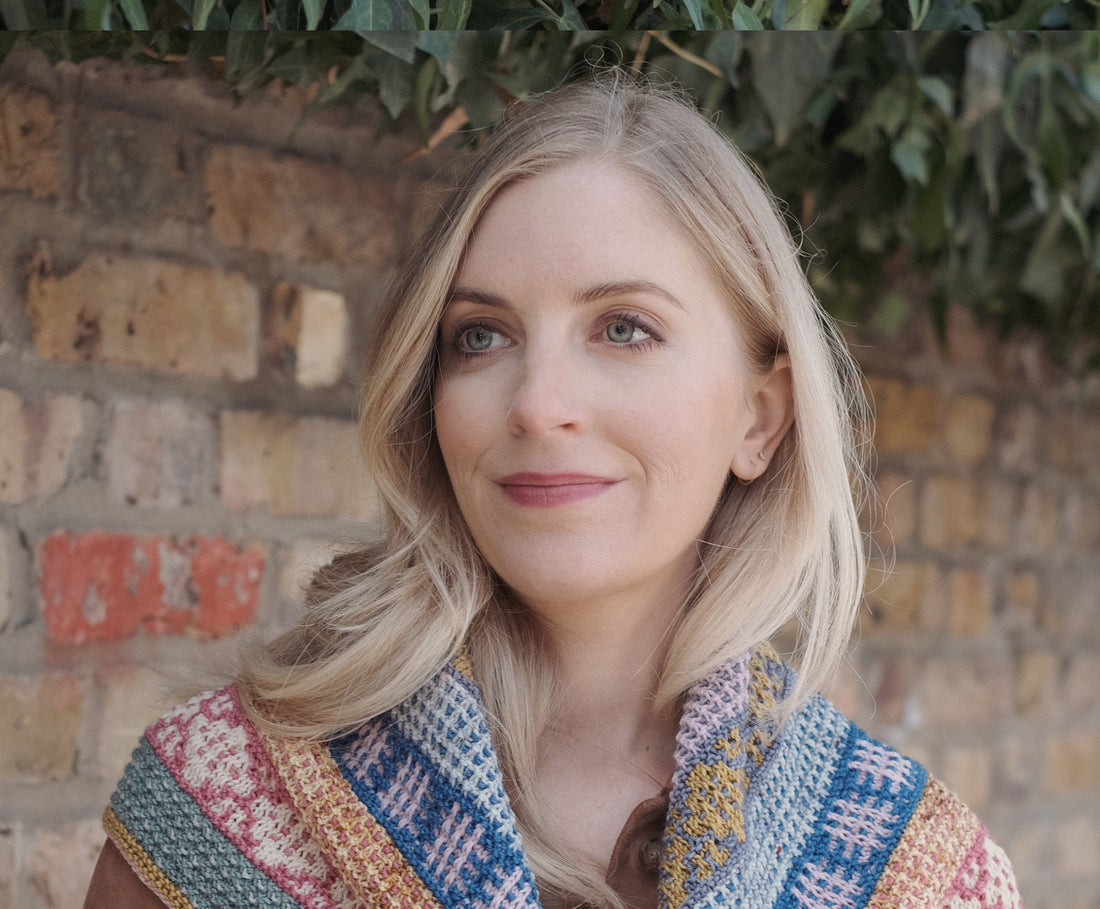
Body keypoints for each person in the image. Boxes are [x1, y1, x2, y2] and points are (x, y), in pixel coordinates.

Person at [83, 71, 1021, 909]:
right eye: (481, 336)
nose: (537, 404)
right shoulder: (226, 802)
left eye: (624, 328)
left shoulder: (923, 878)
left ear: (760, 415)